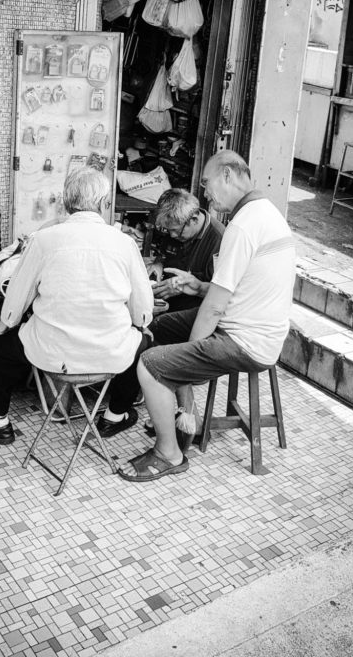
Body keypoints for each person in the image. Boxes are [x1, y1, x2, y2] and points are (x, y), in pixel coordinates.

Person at [119, 150, 295, 483]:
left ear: (227, 175)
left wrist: (186, 363)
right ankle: (181, 415)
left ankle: (169, 453)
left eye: (206, 182)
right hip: (249, 325)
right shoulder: (264, 212)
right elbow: (230, 290)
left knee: (151, 364)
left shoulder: (242, 226)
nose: (205, 193)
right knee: (156, 328)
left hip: (245, 340)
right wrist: (198, 286)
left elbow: (214, 308)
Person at [0, 166, 154, 445]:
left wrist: (2, 325)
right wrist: (140, 325)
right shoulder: (125, 244)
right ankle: (114, 416)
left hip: (51, 353)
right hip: (110, 352)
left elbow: (17, 298)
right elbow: (143, 312)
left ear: (65, 203)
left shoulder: (43, 240)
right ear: (104, 203)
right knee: (145, 345)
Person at [150, 188, 224, 311]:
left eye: (175, 230)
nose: (172, 236)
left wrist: (191, 287)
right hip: (168, 304)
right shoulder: (174, 226)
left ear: (194, 219)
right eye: (167, 230)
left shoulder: (220, 241)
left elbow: (223, 294)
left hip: (196, 311)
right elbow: (163, 254)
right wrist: (158, 264)